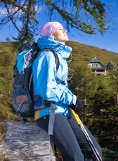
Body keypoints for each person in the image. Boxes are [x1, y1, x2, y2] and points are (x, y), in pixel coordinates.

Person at [32, 22, 101, 161]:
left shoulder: (59, 58)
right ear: (51, 34)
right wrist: (73, 100)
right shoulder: (47, 56)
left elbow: (60, 87)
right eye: (60, 28)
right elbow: (46, 89)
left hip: (63, 110)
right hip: (49, 111)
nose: (65, 30)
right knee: (75, 157)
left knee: (94, 152)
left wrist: (72, 100)